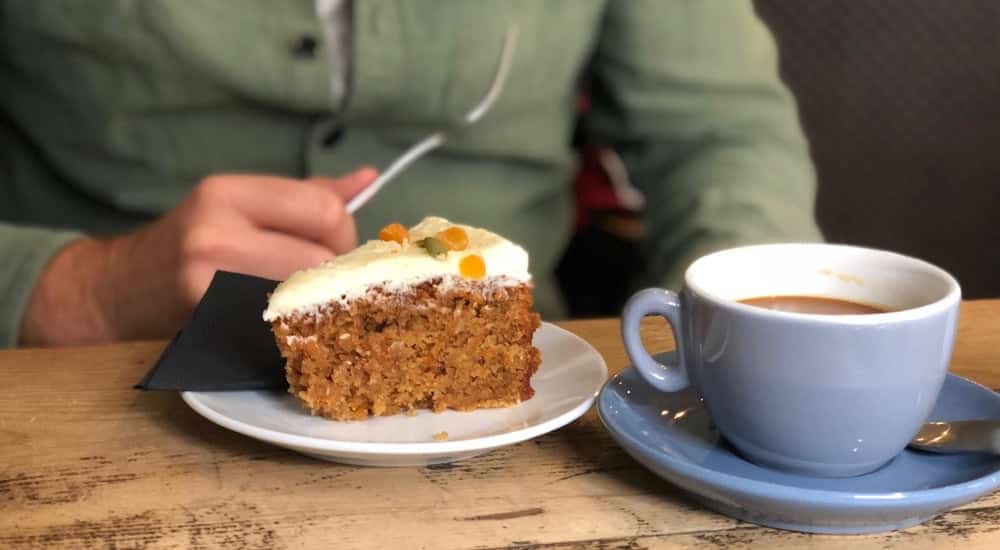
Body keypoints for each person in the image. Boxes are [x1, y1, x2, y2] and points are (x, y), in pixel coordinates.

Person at [0, 1, 821, 347]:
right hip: (89, 376)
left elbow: (718, 132)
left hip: (523, 403)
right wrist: (88, 292)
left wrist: (741, 345)